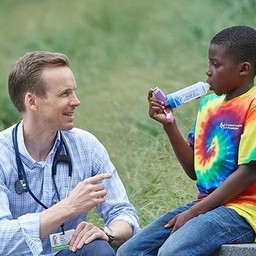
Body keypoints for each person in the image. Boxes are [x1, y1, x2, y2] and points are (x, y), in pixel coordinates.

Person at [116, 25, 256, 256]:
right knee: (129, 251)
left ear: (243, 69)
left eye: (216, 64)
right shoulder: (208, 105)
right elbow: (195, 170)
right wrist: (169, 124)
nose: (208, 71)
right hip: (205, 205)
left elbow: (249, 173)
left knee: (172, 252)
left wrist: (194, 213)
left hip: (241, 212)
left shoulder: (252, 105)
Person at [0, 51, 140, 256]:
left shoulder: (86, 146)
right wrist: (68, 207)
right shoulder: (3, 154)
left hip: (66, 252)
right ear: (32, 101)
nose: (76, 101)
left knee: (97, 248)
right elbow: (2, 239)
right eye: (65, 94)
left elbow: (124, 214)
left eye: (74, 92)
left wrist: (106, 233)